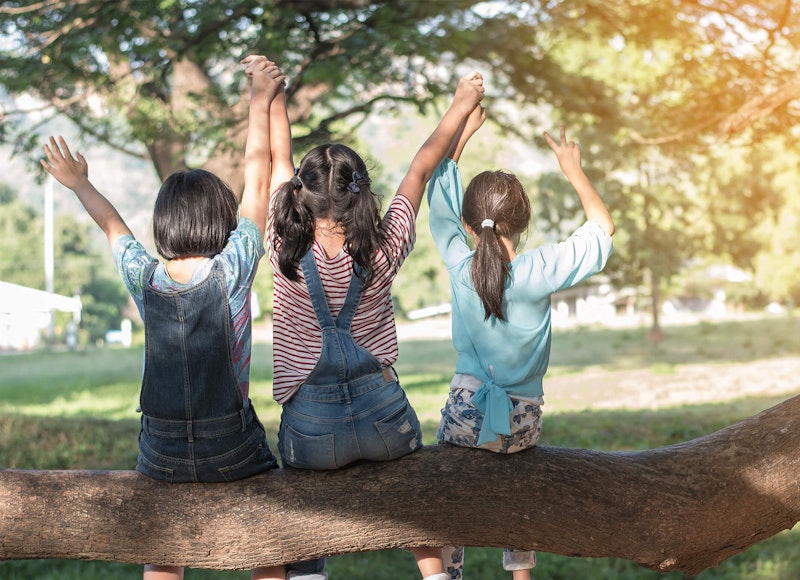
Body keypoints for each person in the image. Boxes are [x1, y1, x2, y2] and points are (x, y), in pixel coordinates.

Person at [41, 56, 288, 580]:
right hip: (232, 444)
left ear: (164, 225)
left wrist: (79, 182)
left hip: (162, 449)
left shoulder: (144, 276)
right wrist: (259, 100)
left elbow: (112, 224)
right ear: (222, 222)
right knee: (267, 535)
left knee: (162, 547)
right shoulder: (235, 264)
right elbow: (258, 180)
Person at [266, 71, 485, 580]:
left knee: (304, 501)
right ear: (360, 192)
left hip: (311, 434)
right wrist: (460, 104)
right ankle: (436, 575)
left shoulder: (284, 252)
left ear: (301, 195)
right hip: (385, 421)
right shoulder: (384, 247)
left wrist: (272, 94)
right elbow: (421, 168)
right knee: (417, 500)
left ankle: (309, 574)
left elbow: (278, 160)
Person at [427, 108, 615, 580]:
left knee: (440, 496)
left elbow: (437, 199)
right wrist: (574, 170)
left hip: (466, 415)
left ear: (471, 226)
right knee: (518, 485)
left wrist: (461, 137)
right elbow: (602, 229)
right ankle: (520, 574)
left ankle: (447, 576)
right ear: (523, 222)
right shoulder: (542, 269)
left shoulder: (458, 263)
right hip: (523, 422)